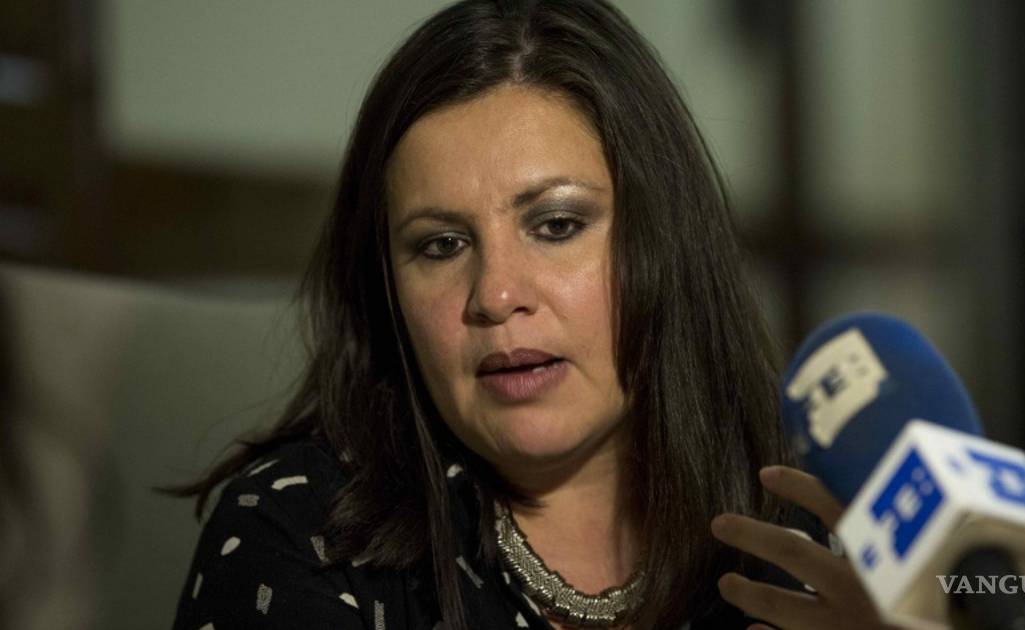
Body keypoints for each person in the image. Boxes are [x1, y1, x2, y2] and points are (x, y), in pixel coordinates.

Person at [169, 1, 891, 628]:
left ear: (665, 242)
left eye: (556, 225)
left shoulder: (810, 524)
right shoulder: (298, 537)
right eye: (442, 245)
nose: (495, 294)